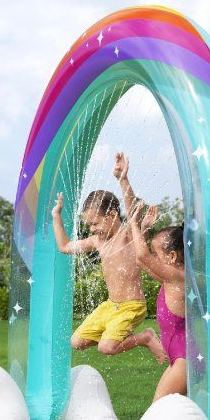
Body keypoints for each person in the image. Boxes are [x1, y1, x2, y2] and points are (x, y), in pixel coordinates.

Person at [51, 152, 167, 361]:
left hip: (131, 305)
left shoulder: (128, 234)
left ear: (112, 215)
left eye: (95, 223)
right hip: (110, 305)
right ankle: (113, 333)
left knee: (106, 347)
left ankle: (146, 337)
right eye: (89, 225)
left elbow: (132, 212)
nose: (92, 229)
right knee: (76, 342)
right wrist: (56, 215)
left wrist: (122, 179)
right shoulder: (97, 241)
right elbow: (65, 246)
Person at [128, 200, 188, 400]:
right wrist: (143, 229)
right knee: (168, 409)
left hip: (184, 360)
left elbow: (143, 257)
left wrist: (134, 224)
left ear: (172, 256)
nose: (153, 257)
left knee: (159, 408)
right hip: (179, 358)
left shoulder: (178, 277)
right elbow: (140, 260)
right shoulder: (170, 279)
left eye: (156, 254)